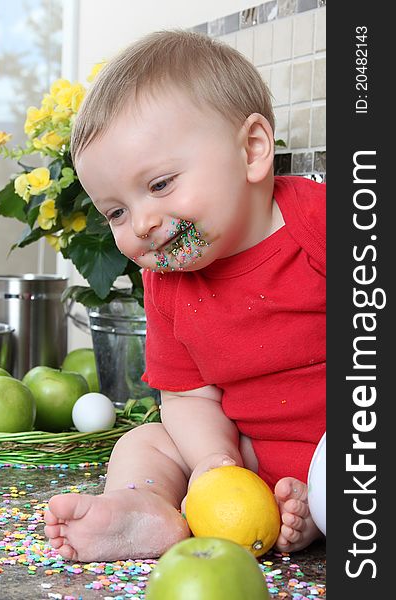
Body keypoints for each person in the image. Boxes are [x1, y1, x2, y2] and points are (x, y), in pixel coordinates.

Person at [44, 29, 326, 562]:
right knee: (145, 442)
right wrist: (215, 463)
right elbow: (189, 396)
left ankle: (320, 508)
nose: (143, 224)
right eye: (117, 212)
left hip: (349, 440)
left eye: (159, 185)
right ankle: (145, 509)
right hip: (249, 454)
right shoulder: (168, 282)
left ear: (252, 150)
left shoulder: (322, 221)